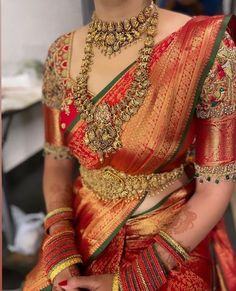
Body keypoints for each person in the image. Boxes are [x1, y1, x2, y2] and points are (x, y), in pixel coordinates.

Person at [23, 0, 236, 290]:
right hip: (81, 231)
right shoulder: (61, 52)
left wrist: (139, 277)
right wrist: (60, 240)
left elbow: (215, 185)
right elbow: (57, 159)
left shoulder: (205, 44)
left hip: (169, 240)